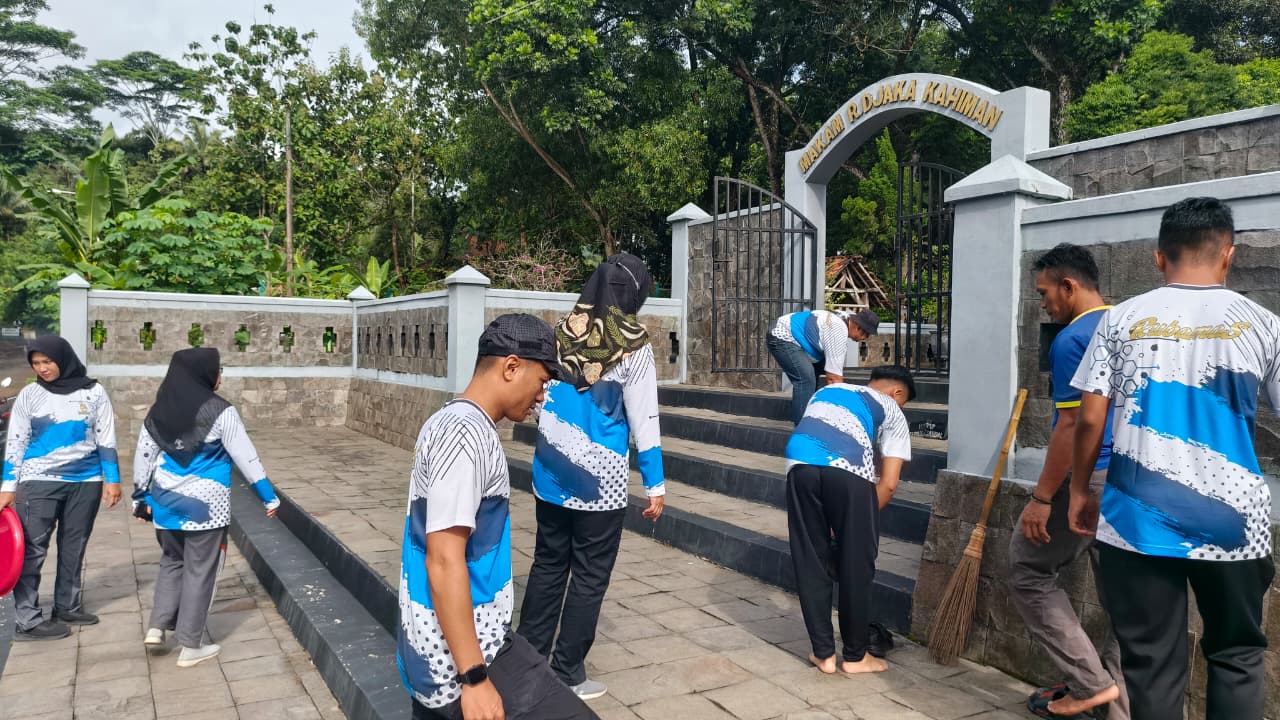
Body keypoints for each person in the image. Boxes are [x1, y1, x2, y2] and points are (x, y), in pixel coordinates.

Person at [1070, 197, 1280, 720]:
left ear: (1158, 258)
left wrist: (1078, 490)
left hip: (1135, 518)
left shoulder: (1120, 320)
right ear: (1228, 255)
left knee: (1151, 664)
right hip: (1235, 522)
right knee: (1236, 655)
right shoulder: (1264, 325)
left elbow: (1090, 418)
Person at [398, 313, 598, 720]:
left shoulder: (452, 421)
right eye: (542, 381)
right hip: (468, 654)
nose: (543, 395)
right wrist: (473, 679)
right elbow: (442, 558)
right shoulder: (464, 434)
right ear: (511, 367)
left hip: (449, 645)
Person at [517, 253, 665, 700]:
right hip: (602, 483)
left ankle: (525, 659)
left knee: (547, 565)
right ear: (635, 294)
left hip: (551, 472)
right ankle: (567, 672)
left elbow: (540, 397)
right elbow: (645, 419)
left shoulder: (560, 333)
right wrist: (655, 485)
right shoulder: (634, 347)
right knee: (589, 575)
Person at [1010, 244, 1127, 720]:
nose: (1043, 305)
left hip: (1092, 476)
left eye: (1044, 293)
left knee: (1027, 569)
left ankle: (1090, 683)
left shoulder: (1072, 339)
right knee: (1126, 600)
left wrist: (1042, 499)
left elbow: (1072, 426)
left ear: (1069, 286)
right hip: (1136, 476)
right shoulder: (1129, 322)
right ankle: (1117, 708)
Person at [132, 348, 281, 667]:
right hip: (206, 508)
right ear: (203, 373)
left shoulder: (158, 410)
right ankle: (190, 645)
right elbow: (246, 456)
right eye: (218, 369)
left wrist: (139, 496)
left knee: (172, 562)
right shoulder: (221, 411)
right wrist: (268, 496)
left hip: (164, 503)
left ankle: (157, 628)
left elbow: (144, 455)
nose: (220, 376)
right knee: (201, 571)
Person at [784, 364, 914, 675]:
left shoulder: (828, 390)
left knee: (811, 558)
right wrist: (857, 524)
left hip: (799, 462)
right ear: (897, 394)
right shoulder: (893, 411)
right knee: (857, 562)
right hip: (849, 468)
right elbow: (889, 482)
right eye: (904, 401)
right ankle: (856, 657)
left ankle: (824, 655)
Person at [0, 336, 121, 640]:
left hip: (86, 482)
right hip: (38, 482)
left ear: (63, 359)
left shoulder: (94, 392)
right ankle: (27, 620)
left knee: (74, 545)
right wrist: (8, 486)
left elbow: (105, 436)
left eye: (47, 362)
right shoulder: (30, 395)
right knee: (32, 550)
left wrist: (113, 478)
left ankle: (67, 605)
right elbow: (16, 442)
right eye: (36, 363)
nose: (42, 368)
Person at [768, 307, 879, 424]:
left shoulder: (843, 318)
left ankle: (813, 413)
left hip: (797, 338)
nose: (865, 339)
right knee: (806, 379)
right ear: (858, 327)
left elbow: (835, 370)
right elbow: (834, 379)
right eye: (867, 334)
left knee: (821, 370)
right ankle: (803, 428)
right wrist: (843, 415)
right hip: (782, 335)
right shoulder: (838, 331)